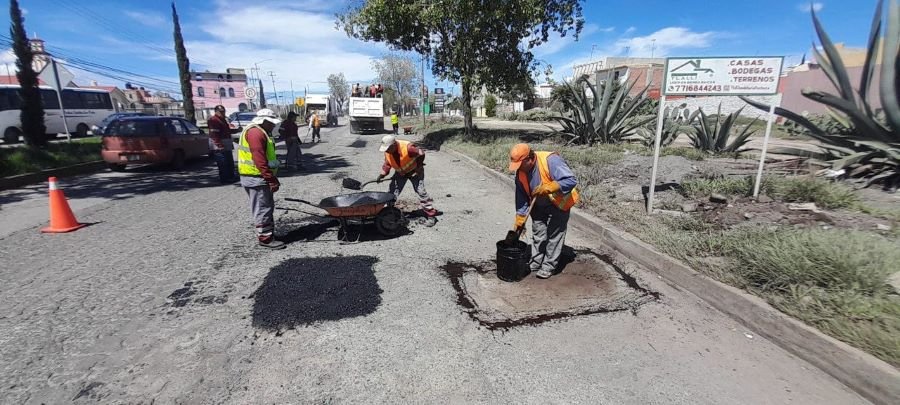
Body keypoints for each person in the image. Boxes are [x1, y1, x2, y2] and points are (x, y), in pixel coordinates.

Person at [508, 143, 579, 279]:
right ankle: (536, 261)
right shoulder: (521, 173)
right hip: (538, 204)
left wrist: (551, 186)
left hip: (559, 202)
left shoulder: (550, 160)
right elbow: (521, 197)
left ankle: (548, 266)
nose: (519, 169)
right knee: (538, 232)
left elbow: (571, 180)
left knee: (554, 235)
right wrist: (520, 218)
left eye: (520, 165)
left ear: (529, 159)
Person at [237, 109, 285, 249]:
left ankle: (269, 234)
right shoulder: (256, 133)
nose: (272, 126)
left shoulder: (259, 131)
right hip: (256, 177)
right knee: (262, 207)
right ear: (264, 121)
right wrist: (270, 178)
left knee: (266, 206)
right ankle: (265, 238)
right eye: (271, 123)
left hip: (257, 176)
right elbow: (259, 159)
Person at [377, 135, 437, 227]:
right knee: (392, 192)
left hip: (414, 172)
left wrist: (419, 166)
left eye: (388, 148)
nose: (387, 150)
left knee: (421, 192)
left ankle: (431, 216)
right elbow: (387, 163)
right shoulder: (388, 151)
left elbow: (421, 153)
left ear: (394, 145)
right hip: (400, 173)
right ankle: (387, 213)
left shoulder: (408, 148)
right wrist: (382, 174)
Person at [207, 105, 239, 183]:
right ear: (216, 112)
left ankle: (231, 176)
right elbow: (214, 134)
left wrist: (236, 130)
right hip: (219, 145)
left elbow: (227, 131)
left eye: (223, 111)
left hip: (226, 143)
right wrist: (219, 145)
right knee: (223, 163)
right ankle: (225, 179)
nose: (223, 113)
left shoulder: (223, 120)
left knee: (229, 162)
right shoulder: (213, 120)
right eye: (220, 111)